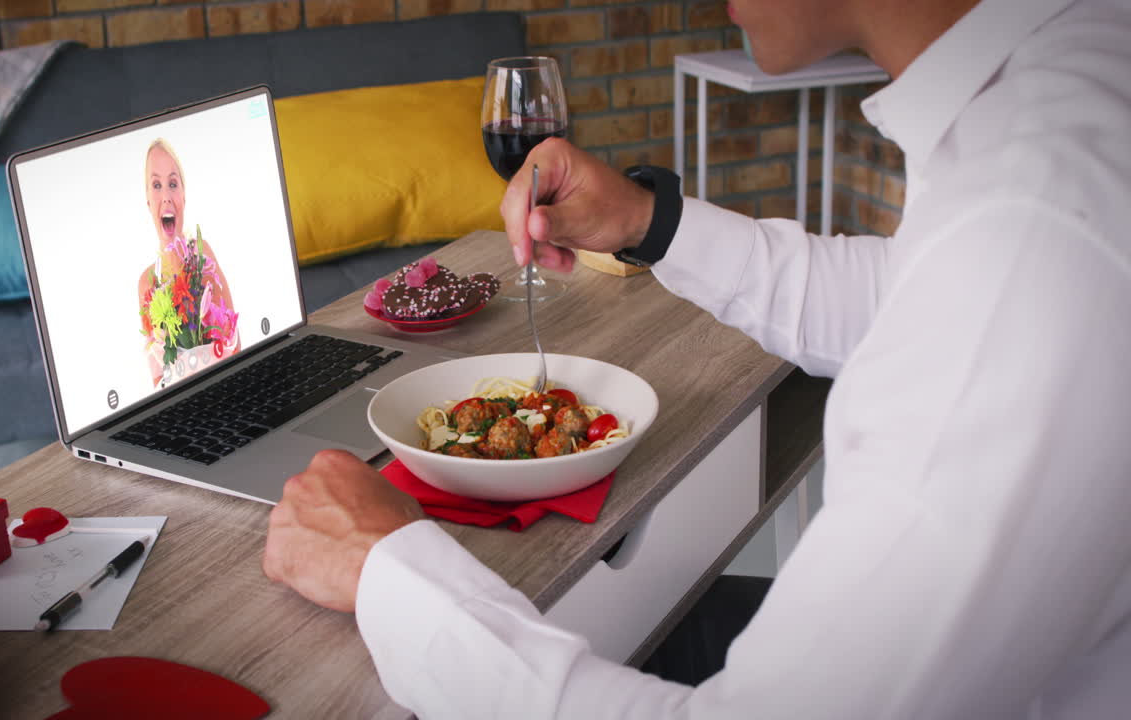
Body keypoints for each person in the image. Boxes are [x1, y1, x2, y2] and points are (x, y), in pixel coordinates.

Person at [262, 0, 1131, 716]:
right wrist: (650, 222)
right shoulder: (1069, 92)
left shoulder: (1031, 228)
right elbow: (909, 301)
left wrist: (391, 571)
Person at [137, 138, 239, 387]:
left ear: (184, 195)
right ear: (149, 201)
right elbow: (158, 379)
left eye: (173, 184)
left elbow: (234, 345)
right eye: (157, 185)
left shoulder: (202, 257)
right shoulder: (147, 283)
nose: (166, 196)